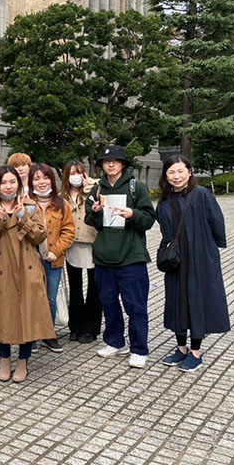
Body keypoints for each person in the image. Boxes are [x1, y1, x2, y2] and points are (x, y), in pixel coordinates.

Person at [0, 166, 54, 382]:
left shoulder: (30, 206)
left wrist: (22, 216)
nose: (8, 186)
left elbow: (40, 236)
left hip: (27, 267)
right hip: (1, 269)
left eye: (12, 182)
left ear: (19, 184)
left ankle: (23, 361)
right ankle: (4, 359)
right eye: (3, 182)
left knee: (27, 314)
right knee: (3, 313)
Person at [156, 155, 230, 372]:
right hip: (176, 259)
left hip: (199, 257)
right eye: (171, 172)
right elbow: (162, 224)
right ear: (166, 176)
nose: (176, 176)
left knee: (197, 300)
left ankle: (195, 352)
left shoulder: (201, 195)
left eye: (181, 171)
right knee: (177, 300)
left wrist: (212, 252)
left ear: (189, 172)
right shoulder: (164, 200)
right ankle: (181, 348)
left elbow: (217, 221)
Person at [85, 145, 155, 368]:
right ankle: (114, 341)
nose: (111, 164)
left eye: (115, 161)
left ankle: (139, 349)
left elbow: (149, 219)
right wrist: (95, 212)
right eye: (106, 162)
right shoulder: (97, 190)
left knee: (135, 305)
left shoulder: (136, 187)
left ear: (123, 164)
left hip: (131, 257)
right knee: (108, 303)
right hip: (104, 257)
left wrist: (133, 214)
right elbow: (91, 221)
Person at [29, 163, 74, 353]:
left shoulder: (61, 204)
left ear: (52, 180)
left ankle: (49, 334)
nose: (41, 182)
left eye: (45, 177)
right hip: (30, 261)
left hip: (53, 260)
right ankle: (31, 336)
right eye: (36, 178)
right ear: (31, 182)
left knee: (50, 298)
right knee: (31, 297)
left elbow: (69, 231)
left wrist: (56, 250)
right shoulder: (26, 203)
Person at [60, 160, 102, 343]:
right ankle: (75, 325)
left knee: (94, 287)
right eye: (71, 173)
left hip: (93, 243)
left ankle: (91, 328)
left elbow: (104, 191)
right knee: (75, 287)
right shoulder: (61, 196)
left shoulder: (93, 192)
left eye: (78, 172)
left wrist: (90, 185)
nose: (75, 177)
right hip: (71, 245)